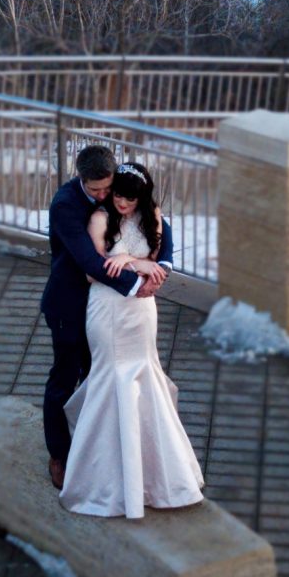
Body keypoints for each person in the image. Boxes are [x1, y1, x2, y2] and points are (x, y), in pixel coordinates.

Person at [58, 160, 204, 518]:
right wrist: (132, 262)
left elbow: (158, 260)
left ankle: (155, 475)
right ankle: (101, 479)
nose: (121, 203)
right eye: (117, 196)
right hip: (108, 309)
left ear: (141, 197)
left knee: (145, 373)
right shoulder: (100, 219)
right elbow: (95, 273)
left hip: (141, 311)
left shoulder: (151, 215)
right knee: (112, 376)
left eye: (128, 198)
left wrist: (145, 266)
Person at [41, 143, 167, 486]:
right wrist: (136, 283)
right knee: (65, 379)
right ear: (80, 178)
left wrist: (158, 264)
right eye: (94, 189)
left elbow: (155, 220)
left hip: (107, 310)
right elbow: (89, 261)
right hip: (70, 303)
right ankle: (61, 455)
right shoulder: (66, 205)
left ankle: (96, 449)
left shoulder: (120, 192)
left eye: (107, 188)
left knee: (99, 378)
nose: (103, 196)